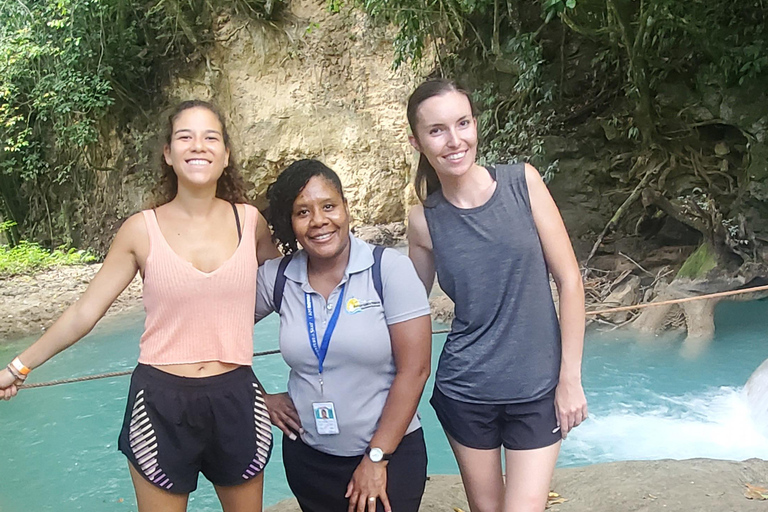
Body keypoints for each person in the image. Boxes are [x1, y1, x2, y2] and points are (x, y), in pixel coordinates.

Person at [0, 100, 280, 512]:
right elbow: (84, 312)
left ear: (225, 155)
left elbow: (291, 288)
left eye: (210, 137)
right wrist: (17, 367)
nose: (197, 146)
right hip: (160, 402)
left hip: (235, 395)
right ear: (168, 154)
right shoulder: (140, 230)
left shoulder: (249, 222)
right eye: (185, 136)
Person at [405, 78, 588, 512]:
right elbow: (409, 314)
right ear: (416, 141)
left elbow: (570, 280)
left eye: (463, 123)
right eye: (437, 130)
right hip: (465, 391)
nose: (455, 140)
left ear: (475, 125)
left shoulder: (522, 182)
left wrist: (570, 379)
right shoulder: (423, 221)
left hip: (538, 390)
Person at [255, 159, 432, 512]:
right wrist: (259, 396)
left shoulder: (388, 270)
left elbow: (415, 371)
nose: (319, 220)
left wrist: (377, 457)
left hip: (389, 459)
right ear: (290, 223)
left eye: (329, 206)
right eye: (302, 212)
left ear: (346, 209)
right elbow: (213, 334)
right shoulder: (276, 278)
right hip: (308, 459)